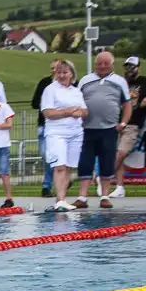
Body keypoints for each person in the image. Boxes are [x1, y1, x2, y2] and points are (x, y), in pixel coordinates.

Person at [75, 51, 130, 209]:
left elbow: (127, 105)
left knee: (107, 162)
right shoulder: (85, 80)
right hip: (87, 129)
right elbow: (76, 100)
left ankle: (104, 196)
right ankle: (82, 197)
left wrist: (123, 123)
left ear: (112, 65)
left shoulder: (120, 82)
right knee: (85, 163)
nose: (102, 66)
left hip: (109, 129)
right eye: (99, 63)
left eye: (106, 63)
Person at [41, 60, 89, 212]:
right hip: (56, 133)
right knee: (59, 166)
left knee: (68, 166)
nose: (61, 75)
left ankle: (61, 199)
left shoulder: (76, 91)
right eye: (59, 72)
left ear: (71, 74)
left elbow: (85, 111)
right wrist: (66, 112)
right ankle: (60, 199)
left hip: (75, 133)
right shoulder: (50, 90)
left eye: (65, 72)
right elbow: (47, 112)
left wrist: (79, 112)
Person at [109, 56, 146, 198]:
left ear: (138, 68)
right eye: (127, 67)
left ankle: (105, 176)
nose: (129, 70)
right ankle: (119, 187)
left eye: (132, 67)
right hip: (117, 122)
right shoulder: (121, 83)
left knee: (121, 153)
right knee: (118, 154)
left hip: (133, 123)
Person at [31, 60, 64, 198]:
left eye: (57, 68)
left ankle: (48, 185)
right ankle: (57, 180)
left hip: (60, 125)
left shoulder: (67, 84)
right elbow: (34, 103)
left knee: (58, 156)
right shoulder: (44, 83)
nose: (54, 70)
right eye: (52, 68)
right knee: (46, 154)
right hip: (44, 124)